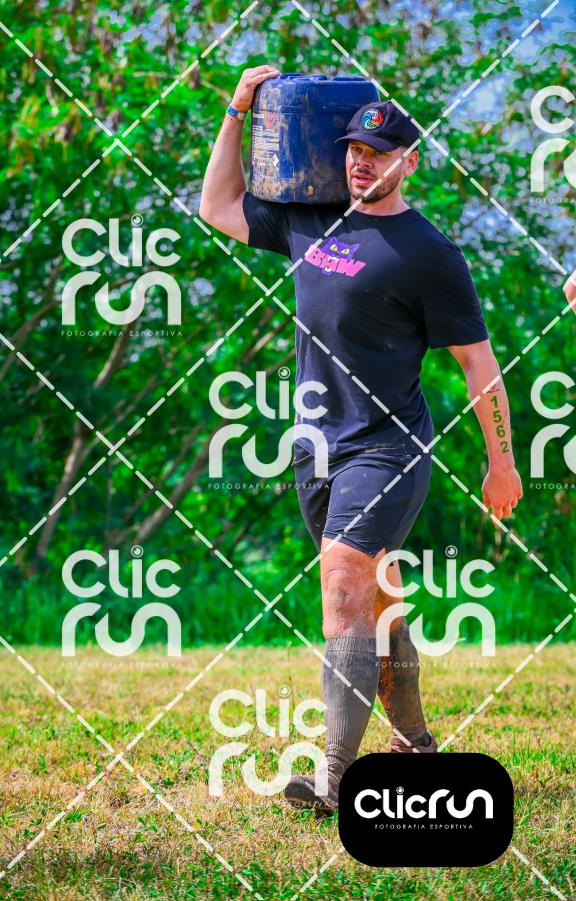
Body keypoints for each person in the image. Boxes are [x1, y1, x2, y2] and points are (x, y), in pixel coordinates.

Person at [199, 65, 523, 815]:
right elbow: (216, 205)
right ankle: (416, 742)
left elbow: (478, 365)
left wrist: (501, 461)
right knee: (376, 605)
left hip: (389, 448)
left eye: (378, 154)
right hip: (315, 447)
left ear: (410, 162)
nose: (361, 163)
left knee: (343, 589)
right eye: (353, 149)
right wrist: (236, 111)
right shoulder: (308, 220)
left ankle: (336, 777)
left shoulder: (429, 254)